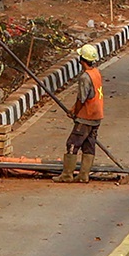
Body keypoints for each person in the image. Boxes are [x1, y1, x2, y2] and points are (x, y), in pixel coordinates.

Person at [55, 44, 102, 183]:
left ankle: (67, 174)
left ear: (81, 59)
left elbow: (82, 98)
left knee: (72, 144)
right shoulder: (96, 73)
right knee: (89, 145)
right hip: (97, 115)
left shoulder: (85, 77)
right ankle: (83, 175)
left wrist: (74, 110)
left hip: (86, 116)